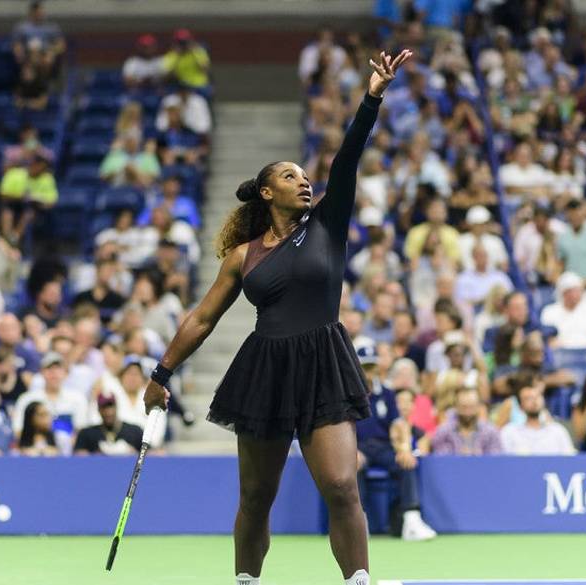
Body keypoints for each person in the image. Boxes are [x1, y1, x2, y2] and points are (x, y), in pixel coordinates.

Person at [142, 51, 411, 585]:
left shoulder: (328, 224)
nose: (304, 181)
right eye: (291, 176)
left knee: (340, 485)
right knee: (257, 496)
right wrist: (160, 375)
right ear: (268, 193)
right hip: (265, 366)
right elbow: (201, 320)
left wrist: (372, 96)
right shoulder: (242, 255)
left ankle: (358, 580)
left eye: (305, 175)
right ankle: (246, 580)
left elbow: (347, 158)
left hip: (323, 360)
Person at [353, 342, 436, 541]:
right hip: (359, 448)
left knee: (406, 462)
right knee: (352, 466)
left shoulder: (388, 394)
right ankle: (357, 523)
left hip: (383, 447)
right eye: (364, 367)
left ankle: (411, 520)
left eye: (372, 367)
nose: (368, 372)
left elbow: (398, 425)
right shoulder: (348, 396)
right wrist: (350, 451)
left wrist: (405, 448)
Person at [499, 375, 576, 455]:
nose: (534, 401)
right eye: (528, 398)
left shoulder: (557, 431)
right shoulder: (509, 432)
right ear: (520, 407)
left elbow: (570, 460)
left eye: (537, 396)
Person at [429, 387, 502, 455]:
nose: (468, 412)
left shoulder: (490, 432)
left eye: (471, 407)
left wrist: (480, 458)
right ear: (456, 406)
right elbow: (441, 459)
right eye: (464, 407)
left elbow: (496, 459)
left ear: (478, 406)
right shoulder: (444, 432)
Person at [74, 393, 143, 455]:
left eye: (111, 406)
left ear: (116, 407)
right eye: (104, 408)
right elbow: (78, 456)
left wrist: (133, 453)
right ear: (98, 410)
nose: (108, 412)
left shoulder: (134, 431)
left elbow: (151, 454)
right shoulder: (87, 433)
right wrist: (95, 455)